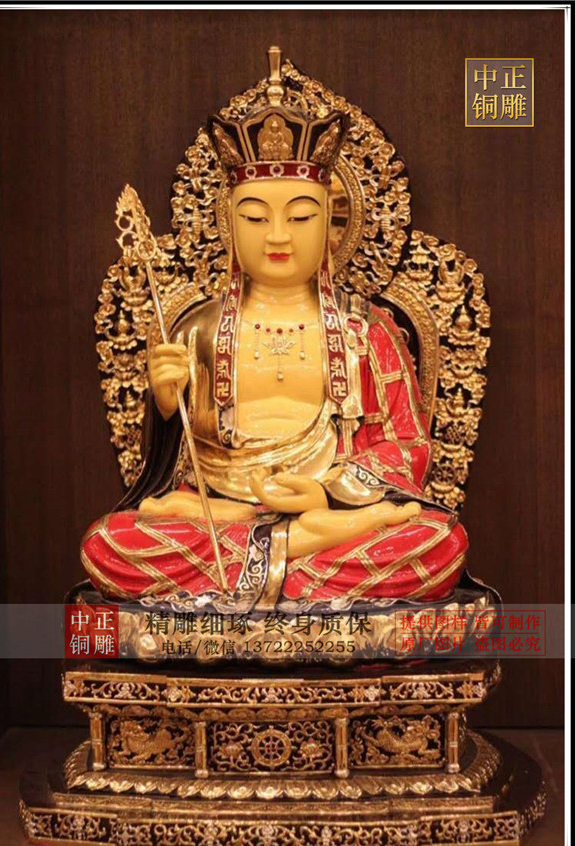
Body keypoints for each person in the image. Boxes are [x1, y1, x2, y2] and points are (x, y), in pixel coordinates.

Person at [81, 53, 468, 613]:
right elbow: (171, 475)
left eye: (302, 216)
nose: (279, 236)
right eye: (256, 218)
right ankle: (292, 561)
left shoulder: (366, 332)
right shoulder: (195, 330)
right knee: (107, 543)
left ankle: (258, 571)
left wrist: (328, 492)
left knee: (438, 542)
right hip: (220, 512)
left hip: (325, 511)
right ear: (228, 223)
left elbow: (406, 446)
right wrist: (166, 410)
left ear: (332, 224)